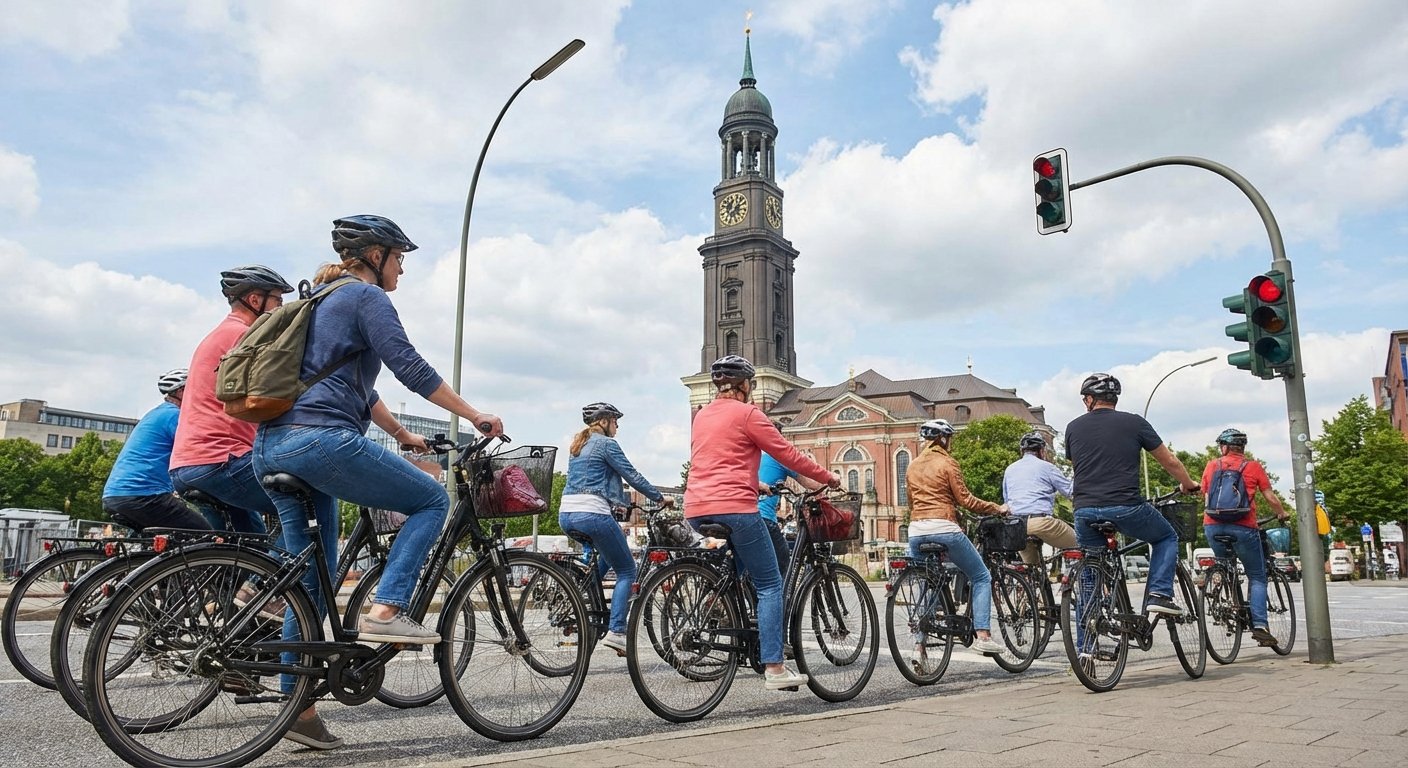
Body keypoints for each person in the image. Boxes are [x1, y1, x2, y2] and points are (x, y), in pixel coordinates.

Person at [252, 214, 503, 750]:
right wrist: (474, 414)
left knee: (308, 587)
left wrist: (403, 435)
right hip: (321, 442)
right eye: (399, 259)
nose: (402, 269)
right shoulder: (367, 300)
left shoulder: (318, 302)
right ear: (374, 256)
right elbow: (408, 366)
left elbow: (353, 388)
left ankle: (298, 708)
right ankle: (387, 608)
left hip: (271, 445)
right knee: (432, 500)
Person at [685, 355, 839, 690]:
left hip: (696, 509)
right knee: (771, 584)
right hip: (735, 509)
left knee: (745, 569)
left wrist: (757, 484)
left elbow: (715, 462)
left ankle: (730, 612)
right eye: (751, 385)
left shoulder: (702, 416)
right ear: (744, 386)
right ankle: (774, 667)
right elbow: (787, 454)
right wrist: (828, 476)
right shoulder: (748, 413)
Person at [170, 265, 295, 535]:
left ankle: (245, 576)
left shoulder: (218, 334)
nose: (280, 310)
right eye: (278, 301)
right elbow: (270, 395)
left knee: (249, 542)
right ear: (254, 300)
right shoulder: (245, 336)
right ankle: (272, 579)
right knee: (308, 503)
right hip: (220, 458)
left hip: (187, 464)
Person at [1064, 373, 1199, 616]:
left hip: (1083, 510)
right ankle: (1159, 593)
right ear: (1114, 398)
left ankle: (1086, 649)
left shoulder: (1073, 427)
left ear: (1088, 400)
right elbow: (1169, 462)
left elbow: (1078, 467)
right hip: (1125, 506)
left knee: (1090, 574)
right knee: (1166, 537)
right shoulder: (1135, 423)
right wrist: (1188, 483)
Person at [559, 402, 674, 654]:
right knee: (626, 569)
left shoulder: (577, 445)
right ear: (603, 422)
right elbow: (631, 475)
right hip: (592, 514)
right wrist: (658, 497)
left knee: (608, 557)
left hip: (566, 514)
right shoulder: (606, 444)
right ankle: (617, 631)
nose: (617, 425)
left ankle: (582, 599)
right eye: (615, 420)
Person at [905, 418, 1010, 657]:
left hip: (916, 531)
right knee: (982, 575)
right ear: (943, 439)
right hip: (945, 528)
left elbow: (912, 502)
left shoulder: (912, 465)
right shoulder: (947, 462)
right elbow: (966, 500)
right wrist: (996, 507)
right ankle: (983, 635)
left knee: (926, 582)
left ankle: (919, 647)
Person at [1200, 427, 1288, 646]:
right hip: (1243, 526)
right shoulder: (1253, 466)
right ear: (1242, 447)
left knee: (1225, 562)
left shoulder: (1212, 465)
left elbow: (1206, 496)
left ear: (1225, 446)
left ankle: (1223, 590)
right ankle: (1259, 625)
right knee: (1257, 576)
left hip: (1213, 526)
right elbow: (1270, 496)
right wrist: (1281, 513)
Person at [102, 369, 209, 531]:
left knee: (161, 543)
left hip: (115, 496)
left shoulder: (156, 414)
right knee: (205, 534)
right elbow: (198, 450)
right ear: (182, 391)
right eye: (195, 389)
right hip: (144, 496)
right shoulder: (175, 416)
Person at [1002, 431, 1077, 569]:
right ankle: (1072, 582)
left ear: (1022, 451)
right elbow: (1071, 492)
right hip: (1041, 522)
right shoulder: (1047, 467)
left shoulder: (1009, 469)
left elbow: (1007, 501)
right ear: (1042, 451)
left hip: (1017, 526)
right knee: (1081, 545)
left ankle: (1029, 585)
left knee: (1031, 568)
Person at [757, 421, 824, 572]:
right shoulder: (779, 457)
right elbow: (809, 483)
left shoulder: (753, 455)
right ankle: (778, 596)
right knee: (783, 564)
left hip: (744, 515)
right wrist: (828, 488)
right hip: (764, 518)